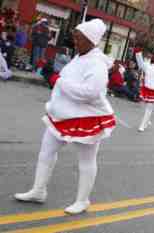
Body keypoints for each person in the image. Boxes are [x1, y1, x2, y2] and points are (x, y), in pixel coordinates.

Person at [14, 19, 116, 215]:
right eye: (75, 37)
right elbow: (69, 82)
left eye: (79, 38)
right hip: (61, 116)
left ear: (91, 40)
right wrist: (52, 75)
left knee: (86, 161)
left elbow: (90, 93)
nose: (74, 41)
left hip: (87, 119)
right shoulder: (80, 57)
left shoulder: (97, 64)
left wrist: (57, 80)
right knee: (46, 152)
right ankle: (38, 190)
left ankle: (82, 200)